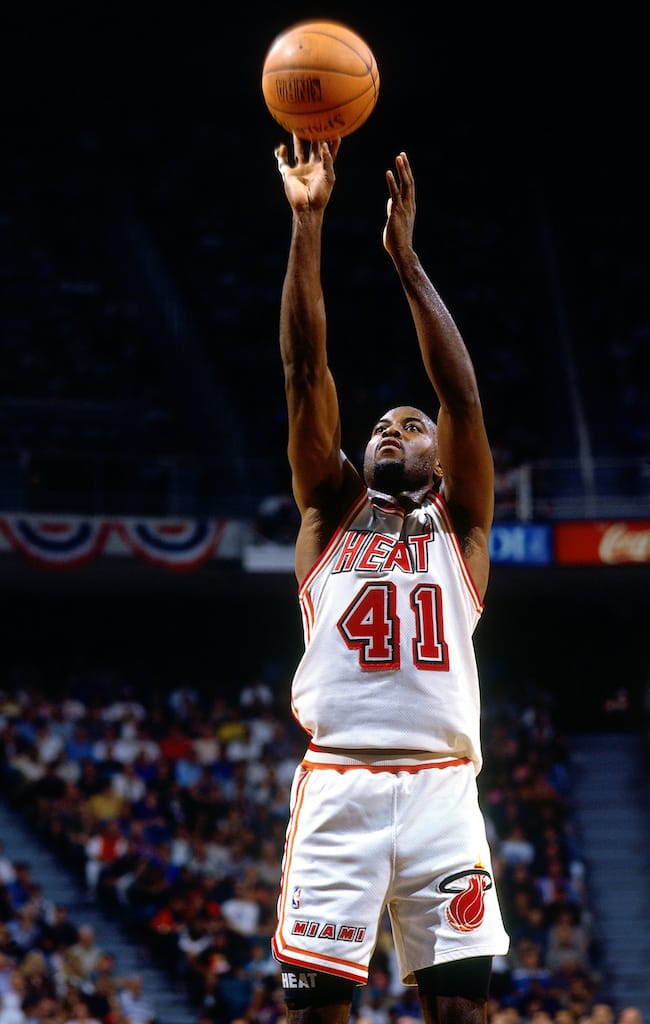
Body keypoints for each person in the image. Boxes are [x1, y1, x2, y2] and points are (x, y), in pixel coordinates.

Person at [270, 133, 510, 1024]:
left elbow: (465, 401)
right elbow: (304, 372)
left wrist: (407, 263)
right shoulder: (330, 515)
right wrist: (309, 224)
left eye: (410, 425)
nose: (390, 428)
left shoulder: (463, 527)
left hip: (445, 789)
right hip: (340, 784)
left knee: (463, 1016)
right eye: (379, 424)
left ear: (440, 460)